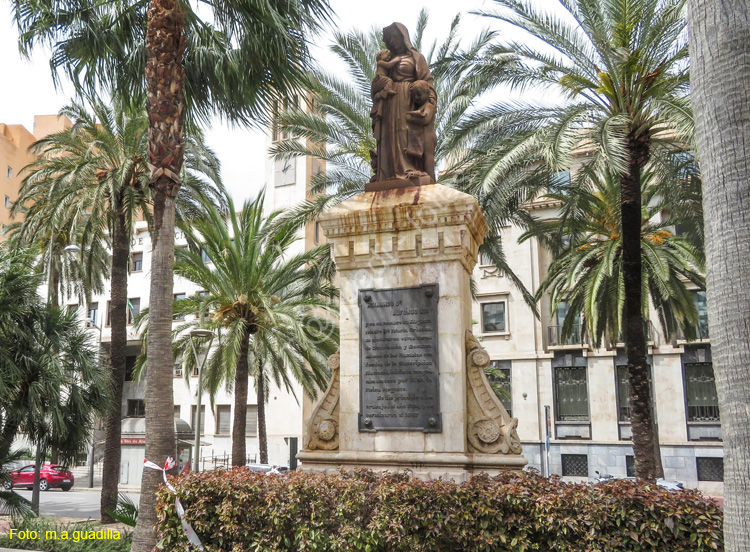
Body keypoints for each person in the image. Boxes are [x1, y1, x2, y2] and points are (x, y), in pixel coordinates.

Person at [371, 22, 437, 184]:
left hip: (409, 100)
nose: (392, 42)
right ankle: (389, 172)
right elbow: (376, 84)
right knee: (389, 135)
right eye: (389, 39)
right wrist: (378, 86)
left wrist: (429, 103)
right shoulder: (386, 60)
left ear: (403, 38)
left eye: (395, 37)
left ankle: (409, 168)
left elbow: (428, 84)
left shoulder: (416, 58)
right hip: (388, 103)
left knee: (405, 132)